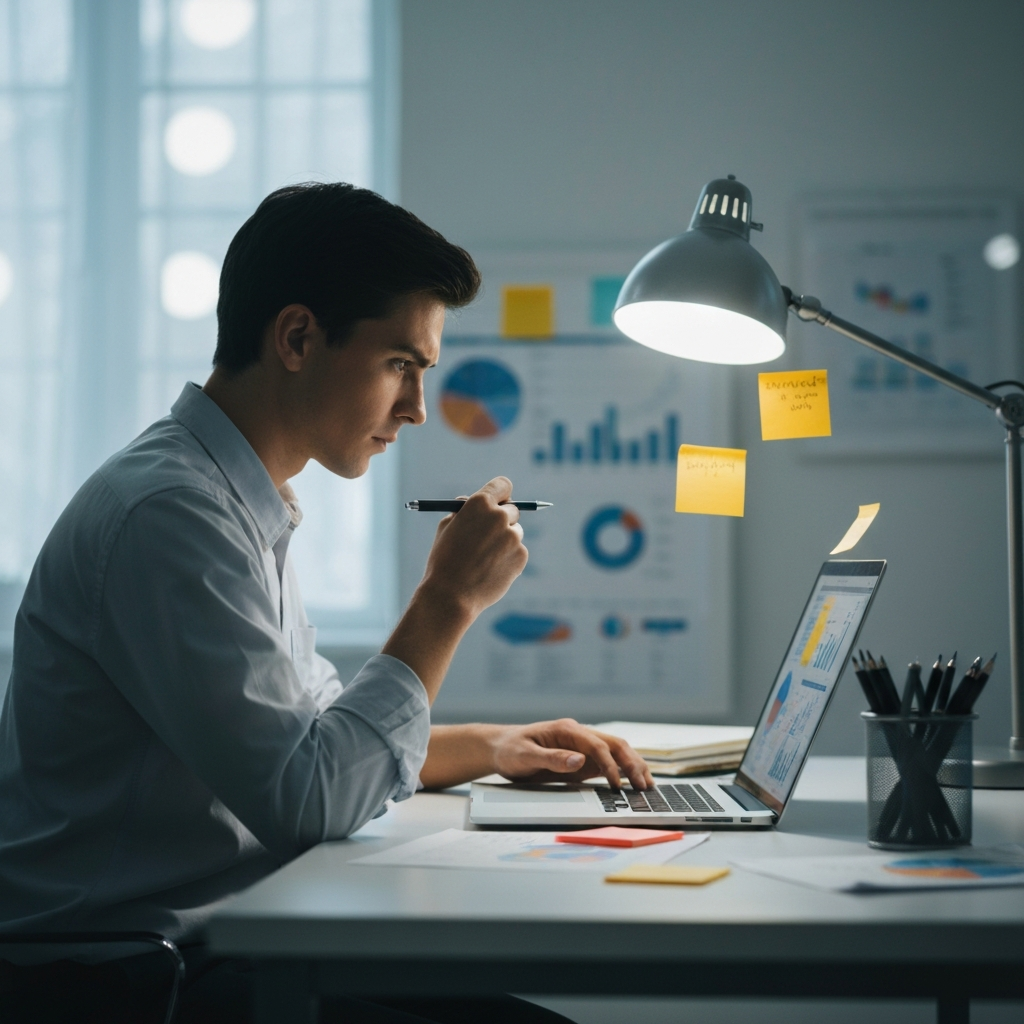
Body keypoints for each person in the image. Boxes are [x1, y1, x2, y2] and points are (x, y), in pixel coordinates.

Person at [0, 183, 652, 1023]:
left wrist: (493, 745)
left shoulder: (233, 502)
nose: (416, 409)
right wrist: (446, 600)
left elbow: (314, 740)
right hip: (126, 979)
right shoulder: (170, 515)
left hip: (218, 940)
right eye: (400, 366)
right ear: (299, 338)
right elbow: (308, 798)